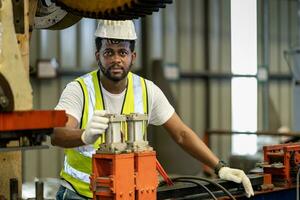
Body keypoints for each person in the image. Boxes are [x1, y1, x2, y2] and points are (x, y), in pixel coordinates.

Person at [52, 19, 254, 199]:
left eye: (122, 52)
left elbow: (181, 133)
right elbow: (58, 134)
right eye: (108, 52)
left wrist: (219, 167)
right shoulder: (79, 90)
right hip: (79, 193)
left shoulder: (147, 90)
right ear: (98, 56)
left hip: (126, 193)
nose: (116, 59)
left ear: (133, 56)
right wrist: (85, 136)